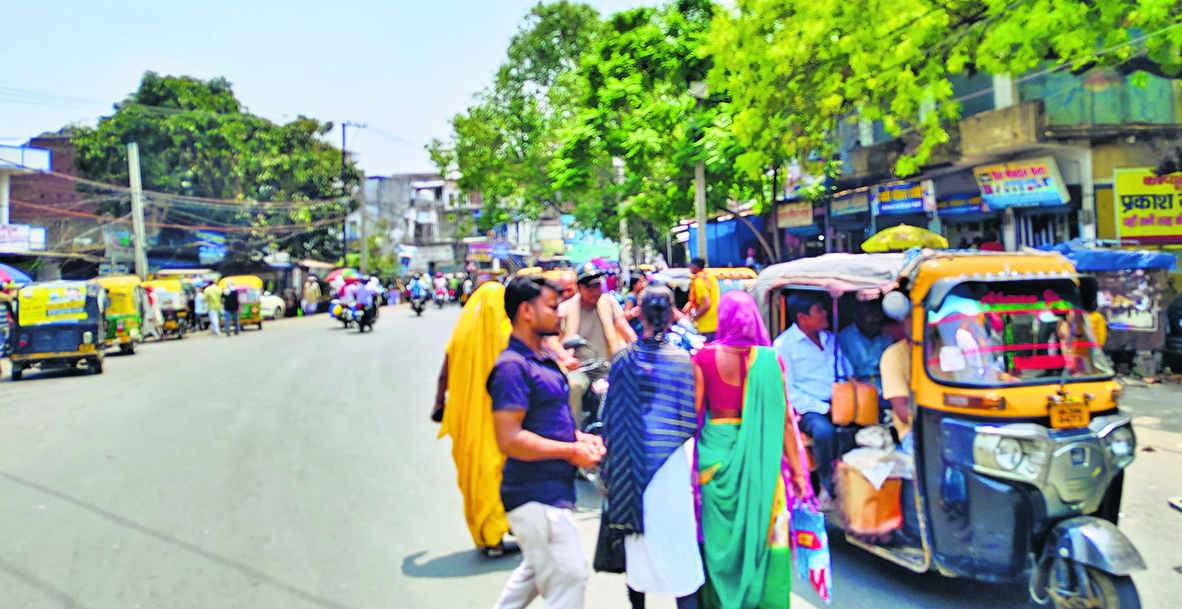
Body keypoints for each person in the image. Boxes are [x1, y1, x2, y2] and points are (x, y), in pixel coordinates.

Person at [489, 275, 605, 609]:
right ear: (526, 311)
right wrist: (571, 451)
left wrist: (580, 438)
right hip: (534, 494)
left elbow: (546, 423)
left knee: (533, 577)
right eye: (552, 307)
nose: (560, 314)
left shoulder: (541, 359)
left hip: (552, 491)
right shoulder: (512, 367)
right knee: (570, 578)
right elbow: (510, 439)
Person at [694, 290, 810, 609]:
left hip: (715, 458)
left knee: (719, 540)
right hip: (763, 461)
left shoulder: (703, 357)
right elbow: (786, 423)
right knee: (764, 534)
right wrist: (799, 474)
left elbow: (693, 414)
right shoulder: (771, 361)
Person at [601, 286, 703, 609]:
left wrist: (608, 472)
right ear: (672, 313)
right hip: (672, 468)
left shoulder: (623, 360)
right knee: (681, 552)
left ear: (639, 315)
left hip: (632, 470)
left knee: (639, 554)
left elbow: (611, 420)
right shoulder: (681, 361)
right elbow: (688, 417)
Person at [434, 282, 516, 557]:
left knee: (477, 471)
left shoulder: (461, 332)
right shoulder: (505, 332)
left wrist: (438, 402)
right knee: (496, 470)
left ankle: (491, 534)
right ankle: (494, 535)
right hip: (498, 413)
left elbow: (445, 368)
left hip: (467, 416)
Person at [772, 291, 852, 503]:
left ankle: (852, 483)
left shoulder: (831, 339)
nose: (825, 314)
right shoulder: (784, 345)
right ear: (802, 317)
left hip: (840, 401)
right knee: (824, 433)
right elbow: (789, 390)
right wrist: (825, 408)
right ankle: (826, 487)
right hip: (808, 409)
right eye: (819, 310)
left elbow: (846, 371)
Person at [556, 263, 638, 421]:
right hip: (580, 369)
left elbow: (626, 330)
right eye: (589, 287)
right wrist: (565, 357)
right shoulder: (565, 309)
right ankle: (574, 431)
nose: (594, 291)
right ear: (579, 288)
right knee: (573, 386)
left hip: (608, 368)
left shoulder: (608, 302)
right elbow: (552, 339)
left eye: (597, 285)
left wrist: (639, 351)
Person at [836, 300, 895, 391]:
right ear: (857, 316)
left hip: (886, 391)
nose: (876, 319)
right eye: (870, 314)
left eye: (878, 314)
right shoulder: (844, 339)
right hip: (858, 392)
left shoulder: (886, 338)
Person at [684, 257, 720, 341]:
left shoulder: (699, 281)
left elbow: (707, 304)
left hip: (705, 326)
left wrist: (695, 317)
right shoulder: (712, 278)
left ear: (695, 267)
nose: (689, 268)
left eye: (691, 266)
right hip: (715, 324)